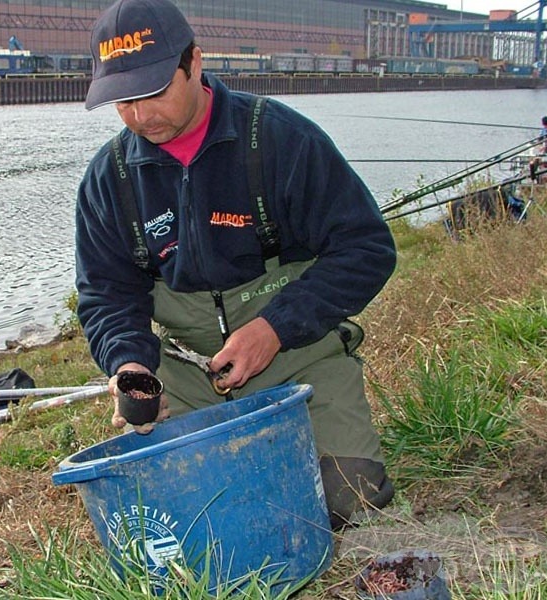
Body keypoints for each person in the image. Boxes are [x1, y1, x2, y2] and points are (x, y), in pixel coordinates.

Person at [74, 0, 397, 531]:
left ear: (194, 63)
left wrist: (275, 328)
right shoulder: (108, 179)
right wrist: (129, 364)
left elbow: (367, 248)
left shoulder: (279, 139)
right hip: (184, 367)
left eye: (153, 91)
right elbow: (105, 293)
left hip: (297, 353)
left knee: (348, 501)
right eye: (123, 100)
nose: (140, 116)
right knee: (185, 518)